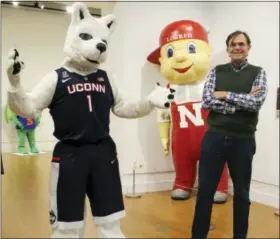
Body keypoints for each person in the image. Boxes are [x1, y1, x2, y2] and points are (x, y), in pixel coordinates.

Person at [191, 30, 268, 239]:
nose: (237, 47)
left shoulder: (258, 72)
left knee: (242, 194)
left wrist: (225, 94)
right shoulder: (216, 71)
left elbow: (256, 103)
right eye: (233, 44)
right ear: (228, 49)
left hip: (243, 140)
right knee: (205, 192)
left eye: (241, 44)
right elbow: (207, 101)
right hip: (214, 138)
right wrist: (240, 105)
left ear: (248, 48)